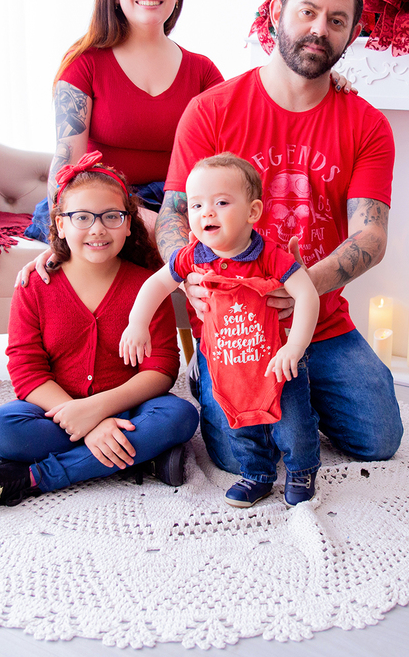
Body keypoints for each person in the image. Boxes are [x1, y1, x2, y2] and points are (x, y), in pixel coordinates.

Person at [155, 0, 403, 479]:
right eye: (307, 11)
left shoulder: (368, 125)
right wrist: (191, 277)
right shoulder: (211, 111)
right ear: (275, 13)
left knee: (379, 441)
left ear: (351, 34)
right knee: (240, 459)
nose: (319, 28)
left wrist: (300, 289)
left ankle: (300, 385)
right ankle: (218, 376)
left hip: (322, 323)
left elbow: (371, 235)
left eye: (336, 20)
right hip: (234, 325)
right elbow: (174, 216)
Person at [0, 153, 198, 509]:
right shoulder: (34, 286)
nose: (98, 228)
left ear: (129, 224)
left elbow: (162, 369)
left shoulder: (148, 287)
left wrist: (98, 410)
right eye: (82, 217)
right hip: (61, 412)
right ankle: (146, 457)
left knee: (180, 416)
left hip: (131, 407)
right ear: (59, 225)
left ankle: (32, 477)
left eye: (112, 217)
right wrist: (84, 420)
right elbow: (26, 369)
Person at [120, 153, 321, 508]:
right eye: (196, 205)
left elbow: (307, 294)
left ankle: (302, 468)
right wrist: (138, 323)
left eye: (221, 202)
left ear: (253, 212)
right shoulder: (192, 256)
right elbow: (156, 284)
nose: (206, 213)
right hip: (225, 364)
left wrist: (296, 347)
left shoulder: (269, 255)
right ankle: (256, 474)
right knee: (238, 423)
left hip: (275, 361)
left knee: (292, 422)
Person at [22, 0, 224, 245]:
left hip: (179, 203)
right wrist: (61, 237)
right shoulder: (84, 63)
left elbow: (227, 156)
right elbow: (67, 162)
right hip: (102, 203)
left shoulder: (203, 71)